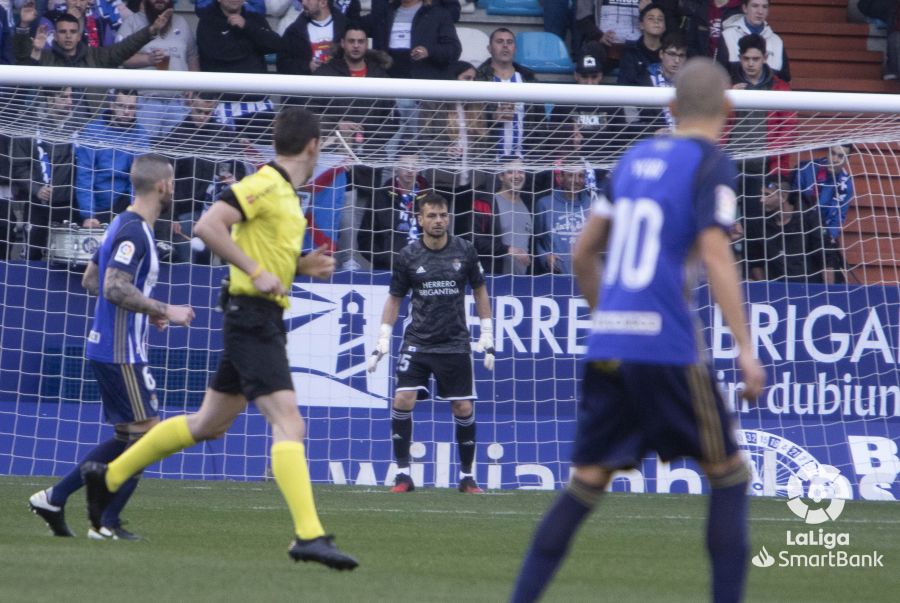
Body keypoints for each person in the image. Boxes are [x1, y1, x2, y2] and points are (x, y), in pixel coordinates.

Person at [509, 58, 765, 603]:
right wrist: (746, 348)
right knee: (729, 475)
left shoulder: (633, 158)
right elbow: (718, 253)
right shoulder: (711, 163)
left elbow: (582, 253)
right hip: (667, 349)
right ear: (729, 111)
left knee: (586, 483)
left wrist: (609, 319)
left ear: (671, 109)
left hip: (609, 346)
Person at [81, 107, 358, 570]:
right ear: (314, 145)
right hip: (251, 317)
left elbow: (261, 254)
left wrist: (298, 266)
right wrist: (256, 271)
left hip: (257, 316)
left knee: (208, 424)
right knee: (289, 423)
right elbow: (208, 225)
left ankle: (108, 475)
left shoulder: (286, 194)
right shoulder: (267, 182)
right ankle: (309, 535)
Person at [28, 153, 195, 539]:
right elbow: (112, 286)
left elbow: (91, 279)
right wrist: (164, 308)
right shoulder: (134, 231)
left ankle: (53, 498)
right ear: (163, 186)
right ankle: (106, 523)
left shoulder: (120, 221)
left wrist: (145, 310)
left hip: (109, 346)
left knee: (127, 437)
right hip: (121, 352)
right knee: (149, 437)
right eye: (172, 182)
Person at [367, 191, 494, 494]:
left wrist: (487, 334)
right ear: (420, 219)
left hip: (455, 343)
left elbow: (480, 291)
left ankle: (466, 477)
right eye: (432, 215)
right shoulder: (408, 256)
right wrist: (383, 339)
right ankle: (402, 475)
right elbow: (395, 299)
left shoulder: (465, 251)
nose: (439, 221)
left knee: (462, 407)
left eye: (443, 215)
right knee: (402, 400)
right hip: (418, 342)